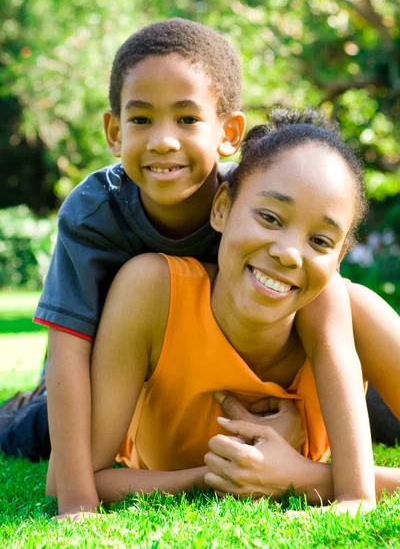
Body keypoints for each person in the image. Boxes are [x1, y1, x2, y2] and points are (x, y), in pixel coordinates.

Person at [65, 109, 400, 518]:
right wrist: (220, 474)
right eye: (270, 217)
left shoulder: (342, 309)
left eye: (319, 240)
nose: (289, 253)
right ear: (221, 208)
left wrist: (296, 476)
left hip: (365, 396)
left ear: (339, 259)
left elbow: (356, 498)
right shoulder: (150, 291)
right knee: (26, 426)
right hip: (110, 373)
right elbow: (82, 478)